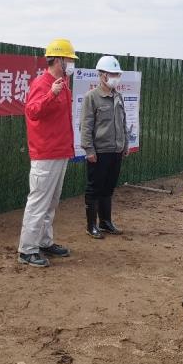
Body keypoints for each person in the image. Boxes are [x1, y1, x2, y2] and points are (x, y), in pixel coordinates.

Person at [17, 38, 78, 268]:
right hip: (45, 154)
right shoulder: (43, 84)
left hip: (60, 151)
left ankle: (43, 242)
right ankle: (27, 249)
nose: (72, 64)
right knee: (38, 202)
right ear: (58, 60)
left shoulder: (63, 84)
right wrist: (51, 94)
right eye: (69, 59)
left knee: (51, 202)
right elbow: (32, 111)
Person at [80, 55, 130, 239]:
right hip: (99, 152)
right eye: (113, 74)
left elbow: (123, 122)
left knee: (109, 188)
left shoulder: (118, 96)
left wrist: (125, 144)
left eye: (118, 74)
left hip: (115, 150)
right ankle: (91, 225)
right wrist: (89, 149)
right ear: (102, 75)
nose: (116, 77)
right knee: (94, 189)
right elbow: (86, 125)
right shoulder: (91, 97)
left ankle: (106, 222)